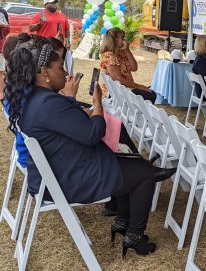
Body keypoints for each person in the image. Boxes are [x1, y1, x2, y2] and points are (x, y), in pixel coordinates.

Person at [3, 39, 174, 257]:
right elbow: (93, 134)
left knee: (131, 162)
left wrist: (71, 100)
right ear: (44, 72)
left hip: (57, 171)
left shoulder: (35, 97)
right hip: (67, 178)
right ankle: (134, 236)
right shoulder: (48, 104)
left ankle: (122, 221)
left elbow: (71, 121)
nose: (65, 74)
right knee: (144, 174)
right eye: (60, 68)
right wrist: (98, 103)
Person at [100, 28, 156, 103]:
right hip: (116, 91)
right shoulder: (109, 56)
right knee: (149, 95)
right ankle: (141, 114)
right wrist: (139, 86)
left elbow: (134, 68)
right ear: (114, 40)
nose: (125, 40)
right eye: (122, 38)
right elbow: (118, 79)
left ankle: (140, 114)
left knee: (151, 94)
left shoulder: (121, 53)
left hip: (124, 88)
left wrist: (127, 50)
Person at [0, 5, 9, 98]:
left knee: (1, 71)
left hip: (0, 44)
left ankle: (1, 93)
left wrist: (3, 26)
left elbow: (7, 28)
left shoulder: (2, 12)